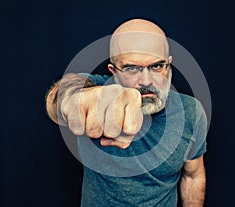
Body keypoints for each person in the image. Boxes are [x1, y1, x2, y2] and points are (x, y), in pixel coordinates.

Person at [46, 18, 207, 207]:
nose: (146, 80)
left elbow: (193, 176)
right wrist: (83, 99)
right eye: (131, 68)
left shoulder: (191, 112)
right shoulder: (97, 88)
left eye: (156, 66)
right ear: (114, 71)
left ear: (168, 65)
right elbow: (59, 98)